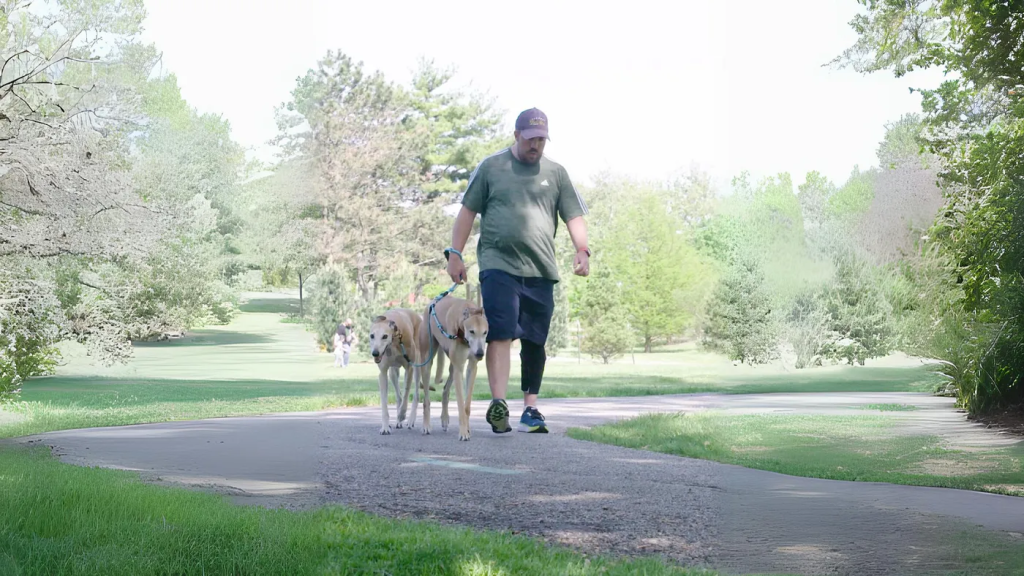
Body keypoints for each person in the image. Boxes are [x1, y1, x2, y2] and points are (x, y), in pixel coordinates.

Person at [444, 107, 590, 434]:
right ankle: (499, 404)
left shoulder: (556, 173)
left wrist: (582, 249)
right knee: (502, 331)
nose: (536, 145)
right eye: (530, 139)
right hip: (499, 265)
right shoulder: (492, 168)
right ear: (516, 135)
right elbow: (467, 212)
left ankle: (531, 409)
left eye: (541, 139)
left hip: (541, 269)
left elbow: (573, 216)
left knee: (536, 341)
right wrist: (455, 253)